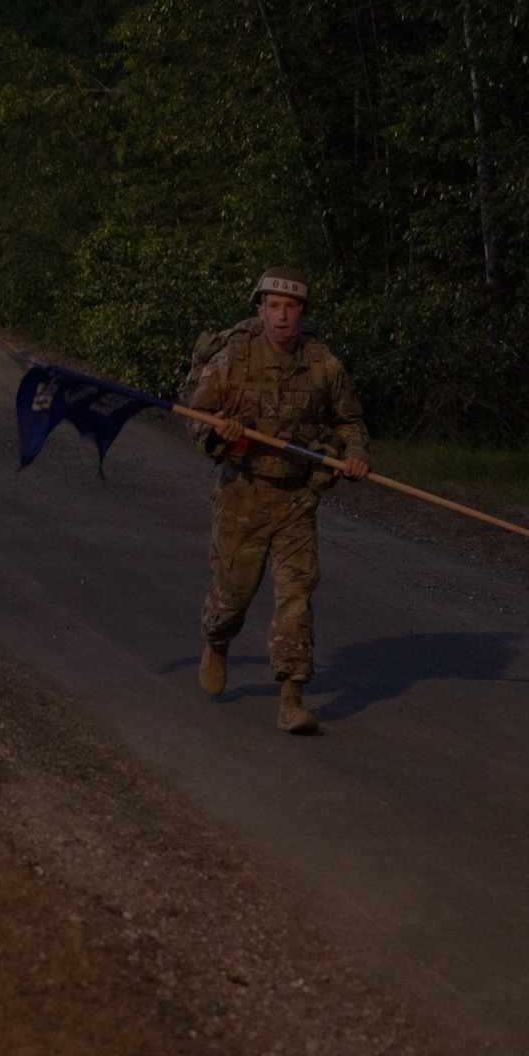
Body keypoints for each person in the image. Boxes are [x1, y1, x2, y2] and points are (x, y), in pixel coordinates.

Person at [186, 267, 370, 734]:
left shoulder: (323, 364)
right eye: (273, 306)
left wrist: (354, 455)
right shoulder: (233, 358)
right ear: (260, 308)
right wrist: (216, 431)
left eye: (290, 307)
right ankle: (217, 641)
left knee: (296, 598)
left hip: (296, 497)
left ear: (302, 312)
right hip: (242, 495)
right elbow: (195, 416)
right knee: (232, 599)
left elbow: (351, 422)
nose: (282, 316)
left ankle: (291, 697)